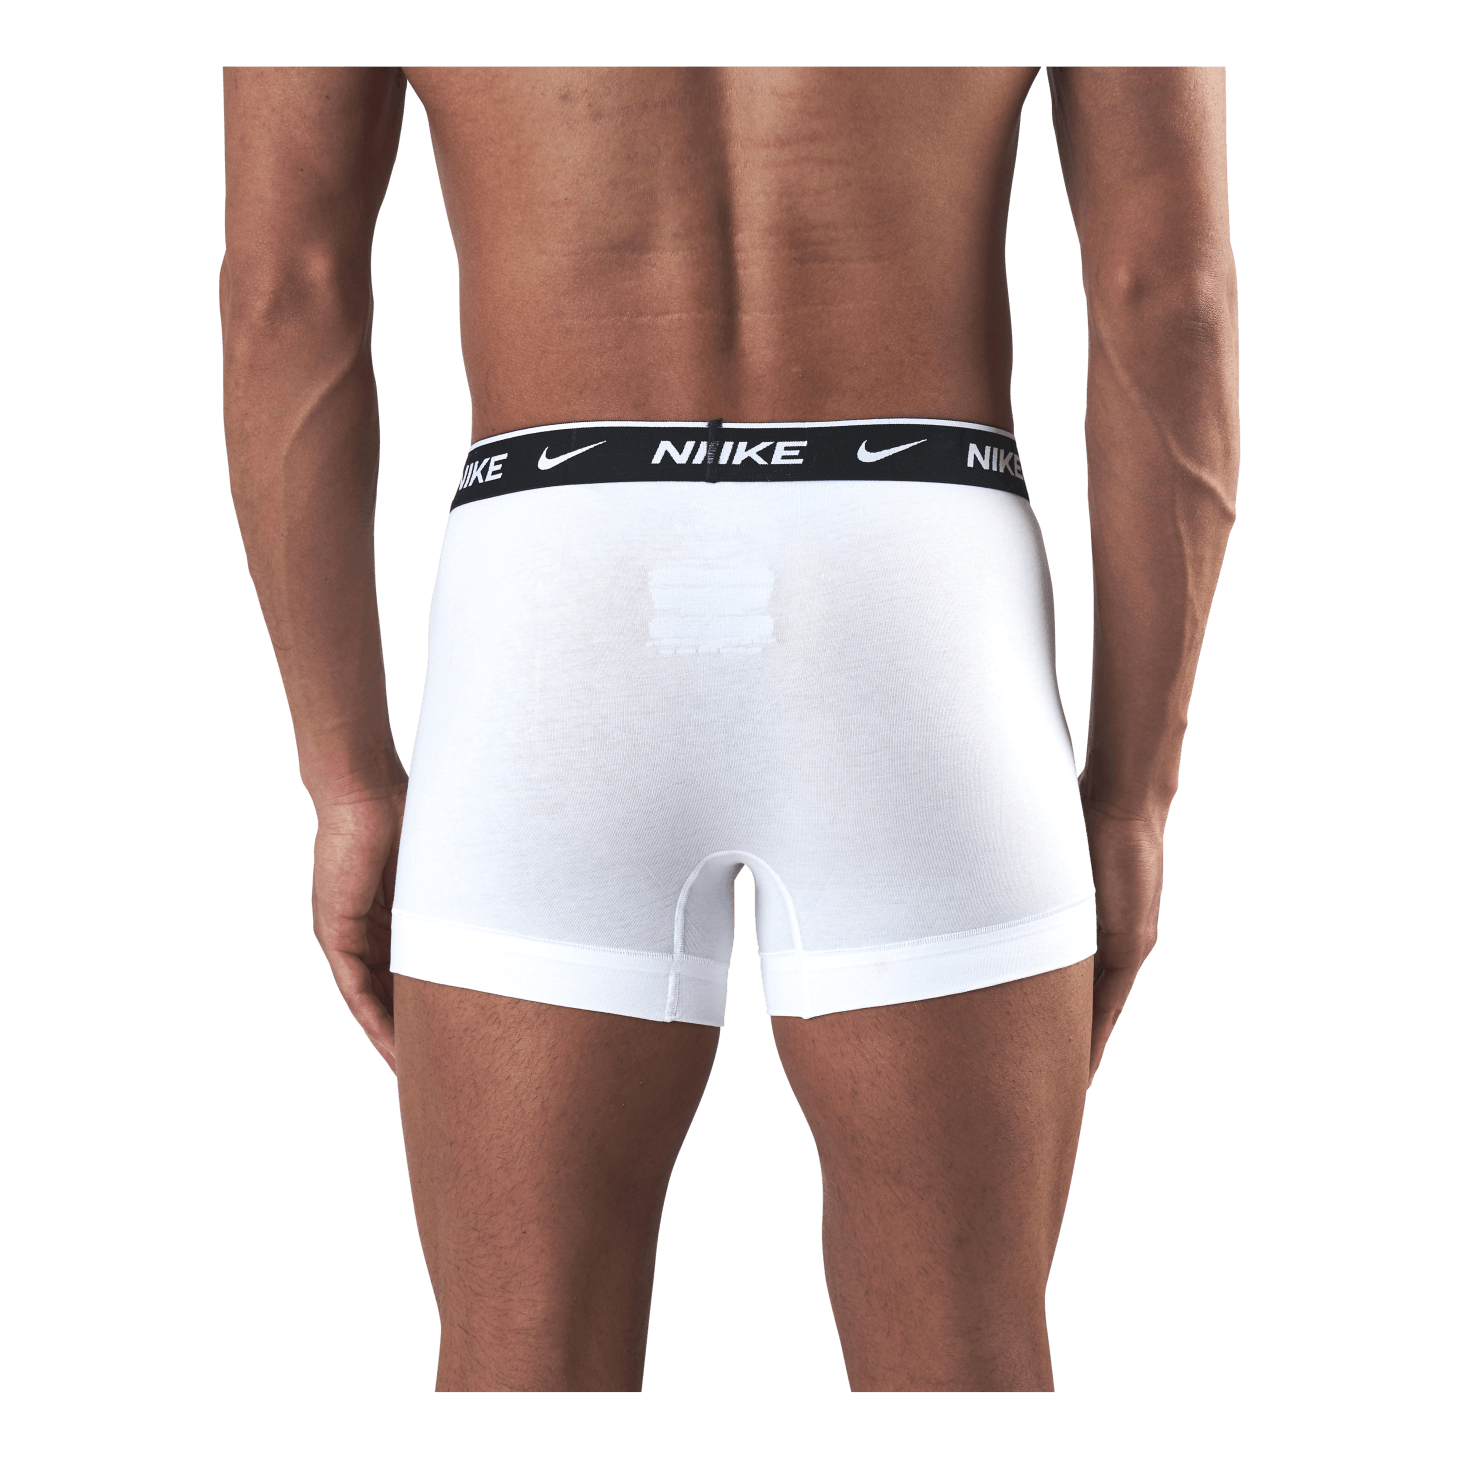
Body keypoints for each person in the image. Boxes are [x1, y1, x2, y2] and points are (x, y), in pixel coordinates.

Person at [220, 66, 1239, 1393]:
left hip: (555, 593)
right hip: (916, 592)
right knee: (970, 1355)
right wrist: (1134, 791)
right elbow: (1169, 297)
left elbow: (283, 293)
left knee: (520, 1353)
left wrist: (346, 775)